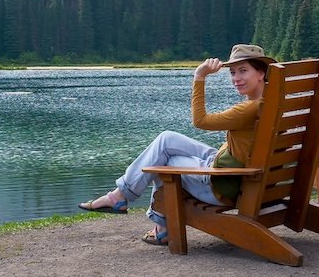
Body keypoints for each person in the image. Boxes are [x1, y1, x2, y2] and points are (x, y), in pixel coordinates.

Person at [77, 43, 276, 245]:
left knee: (164, 161)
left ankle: (136, 208)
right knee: (166, 139)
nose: (236, 79)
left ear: (261, 73)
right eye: (233, 72)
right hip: (242, 173)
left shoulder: (248, 110)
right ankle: (135, 208)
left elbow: (200, 121)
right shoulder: (272, 103)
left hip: (224, 184)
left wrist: (200, 76)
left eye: (243, 71)